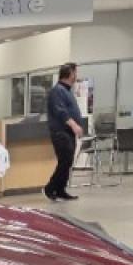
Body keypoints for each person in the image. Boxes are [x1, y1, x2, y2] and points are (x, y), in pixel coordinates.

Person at [45, 62, 84, 201]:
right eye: (75, 73)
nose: (76, 76)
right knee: (65, 160)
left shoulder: (67, 91)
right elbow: (60, 111)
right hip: (60, 132)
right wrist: (74, 125)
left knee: (68, 161)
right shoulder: (57, 91)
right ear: (70, 74)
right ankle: (50, 187)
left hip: (68, 133)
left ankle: (60, 189)